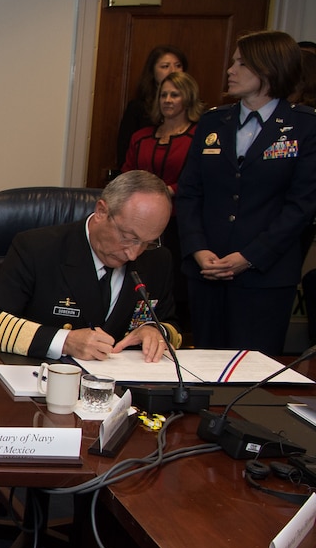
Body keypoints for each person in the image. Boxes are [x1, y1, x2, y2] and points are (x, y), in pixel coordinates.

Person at [176, 30, 316, 356]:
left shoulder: (304, 127)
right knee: (205, 369)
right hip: (206, 271)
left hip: (264, 278)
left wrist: (250, 257)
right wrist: (197, 249)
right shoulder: (213, 122)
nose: (230, 70)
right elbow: (189, 193)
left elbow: (302, 205)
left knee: (252, 375)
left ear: (268, 69)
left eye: (241, 63)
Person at [0, 169, 179, 363]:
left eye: (147, 242)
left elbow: (170, 324)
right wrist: (64, 341)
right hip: (41, 384)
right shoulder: (38, 248)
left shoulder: (157, 259)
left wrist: (154, 331)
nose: (133, 253)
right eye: (128, 237)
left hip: (121, 393)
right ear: (102, 211)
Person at [122, 70, 204, 335]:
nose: (168, 100)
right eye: (163, 94)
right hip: (138, 222)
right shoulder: (142, 136)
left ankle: (171, 330)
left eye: (175, 94)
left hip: (180, 223)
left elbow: (200, 180)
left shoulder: (198, 137)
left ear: (187, 99)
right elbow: (128, 173)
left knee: (176, 283)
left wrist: (166, 192)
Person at [115, 45, 189, 172]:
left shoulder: (196, 118)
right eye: (165, 66)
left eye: (178, 65)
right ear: (153, 72)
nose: (173, 71)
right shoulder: (137, 109)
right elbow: (125, 158)